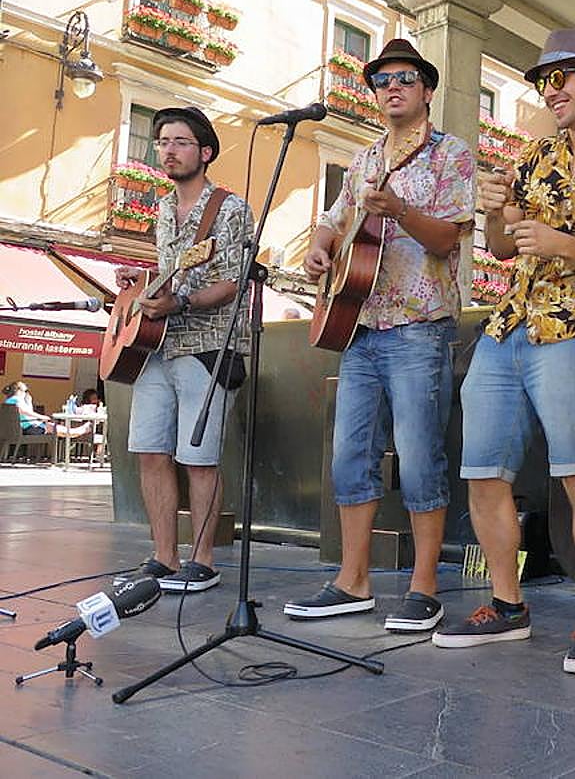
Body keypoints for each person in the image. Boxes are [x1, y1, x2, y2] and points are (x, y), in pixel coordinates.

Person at [432, 30, 575, 675]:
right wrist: (498, 210)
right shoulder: (534, 154)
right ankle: (506, 604)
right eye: (544, 81)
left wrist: (561, 242)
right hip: (505, 327)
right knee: (482, 473)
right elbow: (502, 247)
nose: (551, 91)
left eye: (563, 77)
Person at [285, 39, 475, 629]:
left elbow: (449, 240)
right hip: (358, 326)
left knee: (421, 459)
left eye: (405, 79)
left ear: (426, 90)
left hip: (419, 326)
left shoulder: (452, 155)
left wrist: (399, 211)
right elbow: (330, 225)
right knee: (350, 456)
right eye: (382, 80)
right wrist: (319, 252)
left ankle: (424, 586)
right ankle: (353, 580)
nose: (392, 87)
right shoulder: (364, 159)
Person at [113, 106, 255, 594]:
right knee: (150, 451)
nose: (168, 151)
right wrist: (144, 282)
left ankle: (203, 558)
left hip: (209, 346)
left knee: (198, 457)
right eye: (163, 142)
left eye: (180, 142)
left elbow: (234, 281)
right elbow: (171, 271)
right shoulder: (161, 209)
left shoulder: (230, 209)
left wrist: (183, 301)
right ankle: (163, 556)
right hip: (160, 346)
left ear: (205, 152)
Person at [2, 381, 87, 438]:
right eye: (25, 391)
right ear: (19, 391)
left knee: (54, 427)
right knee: (55, 428)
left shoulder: (8, 401)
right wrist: (42, 416)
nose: (26, 393)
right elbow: (24, 411)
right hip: (29, 428)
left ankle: (78, 431)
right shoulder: (17, 399)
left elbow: (25, 412)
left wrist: (29, 402)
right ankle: (80, 430)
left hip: (19, 429)